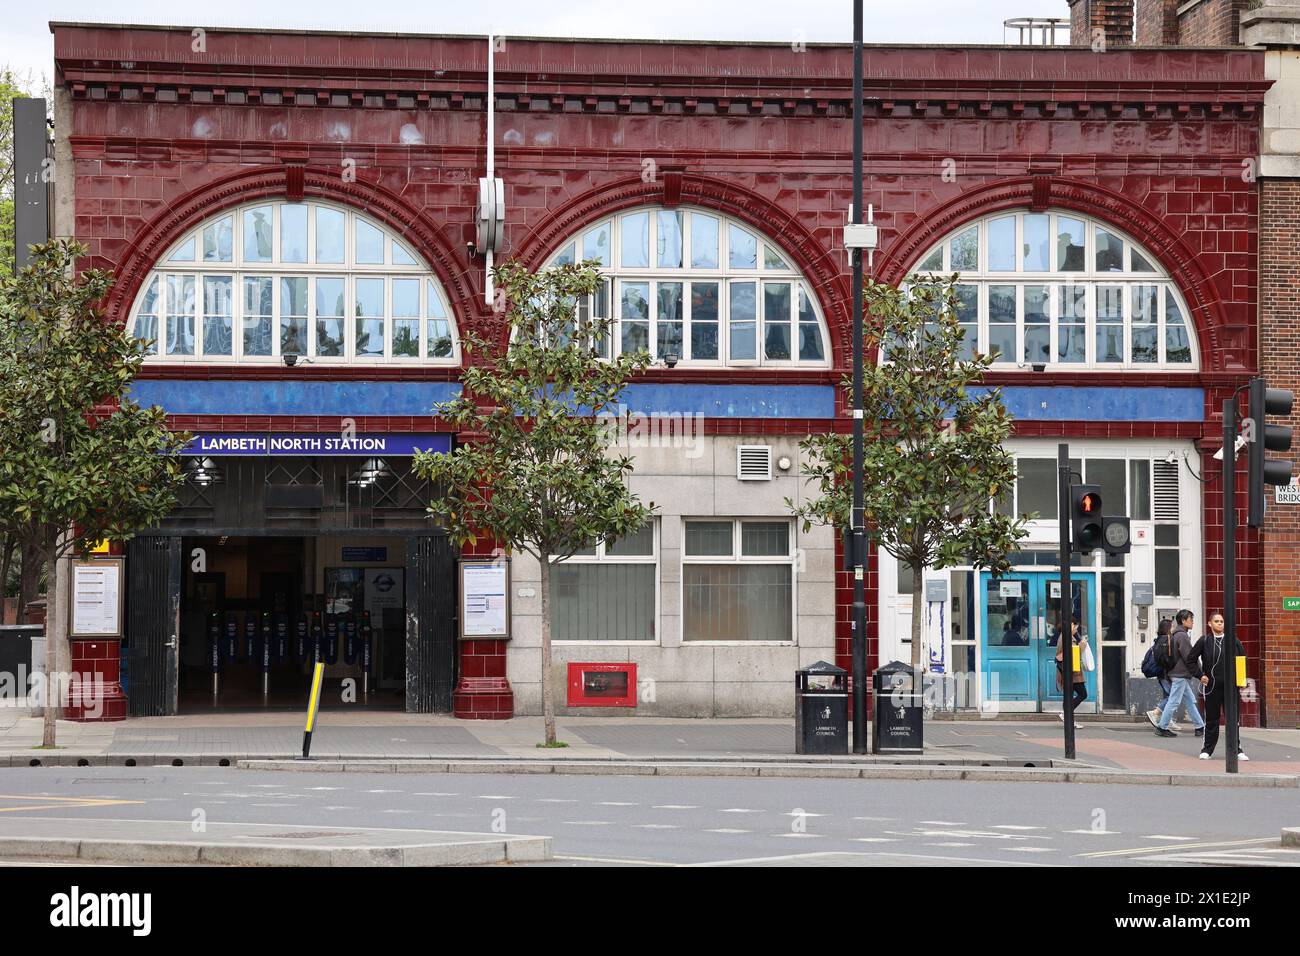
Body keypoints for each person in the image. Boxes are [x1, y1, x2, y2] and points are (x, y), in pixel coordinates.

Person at [1193, 612, 1249, 762]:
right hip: (1212, 686)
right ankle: (1207, 749)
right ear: (1210, 624)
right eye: (1216, 621)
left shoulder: (1233, 640)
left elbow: (1241, 660)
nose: (1220, 624)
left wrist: (1242, 681)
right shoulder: (1204, 641)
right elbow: (1190, 659)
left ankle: (1237, 750)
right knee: (1212, 718)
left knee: (1233, 719)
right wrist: (1200, 675)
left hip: (1231, 687)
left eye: (1222, 621)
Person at [1148, 609, 1206, 738]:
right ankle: (1162, 727)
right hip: (1180, 674)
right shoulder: (1182, 635)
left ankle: (1199, 726)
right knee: (1174, 701)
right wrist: (1199, 673)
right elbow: (1189, 657)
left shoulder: (1176, 634)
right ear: (1184, 621)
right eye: (1191, 619)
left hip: (1177, 673)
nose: (1192, 622)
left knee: (1190, 700)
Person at [1145, 618, 1183, 732]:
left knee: (1168, 696)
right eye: (1172, 627)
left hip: (1162, 674)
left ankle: (1167, 720)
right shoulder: (1167, 640)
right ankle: (1156, 712)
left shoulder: (1159, 640)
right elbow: (1166, 659)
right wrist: (1171, 670)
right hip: (1166, 674)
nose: (1174, 629)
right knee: (1172, 697)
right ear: (1168, 628)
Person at [1052, 615, 1089, 724]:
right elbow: (1073, 654)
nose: (1076, 628)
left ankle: (1069, 719)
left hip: (1068, 671)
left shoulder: (1063, 636)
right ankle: (1067, 714)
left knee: (1068, 695)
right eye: (1075, 626)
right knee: (1082, 694)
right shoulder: (1067, 637)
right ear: (1070, 625)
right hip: (1072, 672)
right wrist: (1082, 646)